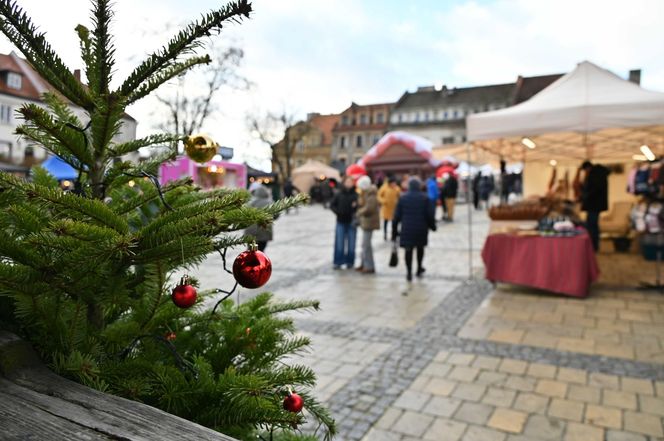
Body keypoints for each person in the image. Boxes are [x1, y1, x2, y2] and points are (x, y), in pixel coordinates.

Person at [393, 177, 436, 282]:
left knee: (408, 250)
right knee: (420, 248)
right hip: (421, 228)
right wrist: (432, 226)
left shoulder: (403, 198)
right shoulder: (425, 198)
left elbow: (397, 216)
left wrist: (394, 230)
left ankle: (409, 272)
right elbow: (430, 215)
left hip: (407, 228)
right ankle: (419, 268)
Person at [580, 160, 610, 251]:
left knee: (592, 225)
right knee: (592, 225)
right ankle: (594, 245)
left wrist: (585, 196)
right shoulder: (599, 174)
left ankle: (593, 245)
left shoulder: (595, 175)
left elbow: (593, 190)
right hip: (596, 204)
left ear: (588, 168)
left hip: (593, 205)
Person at [330, 176, 358, 269]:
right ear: (344, 183)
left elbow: (360, 207)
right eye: (347, 181)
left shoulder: (356, 194)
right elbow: (332, 205)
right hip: (340, 221)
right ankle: (338, 262)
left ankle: (350, 262)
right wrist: (338, 212)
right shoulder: (339, 194)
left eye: (351, 182)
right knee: (339, 243)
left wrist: (355, 208)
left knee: (351, 244)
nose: (349, 183)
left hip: (352, 222)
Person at [356, 176, 380, 274]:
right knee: (364, 245)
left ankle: (369, 266)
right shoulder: (367, 194)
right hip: (366, 222)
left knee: (366, 245)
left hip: (369, 223)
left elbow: (369, 209)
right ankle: (364, 264)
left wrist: (359, 212)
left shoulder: (371, 195)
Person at [245, 185, 274, 252]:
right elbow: (276, 214)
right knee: (260, 251)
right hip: (264, 231)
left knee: (250, 251)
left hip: (250, 232)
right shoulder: (269, 203)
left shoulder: (250, 202)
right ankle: (258, 262)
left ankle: (250, 261)